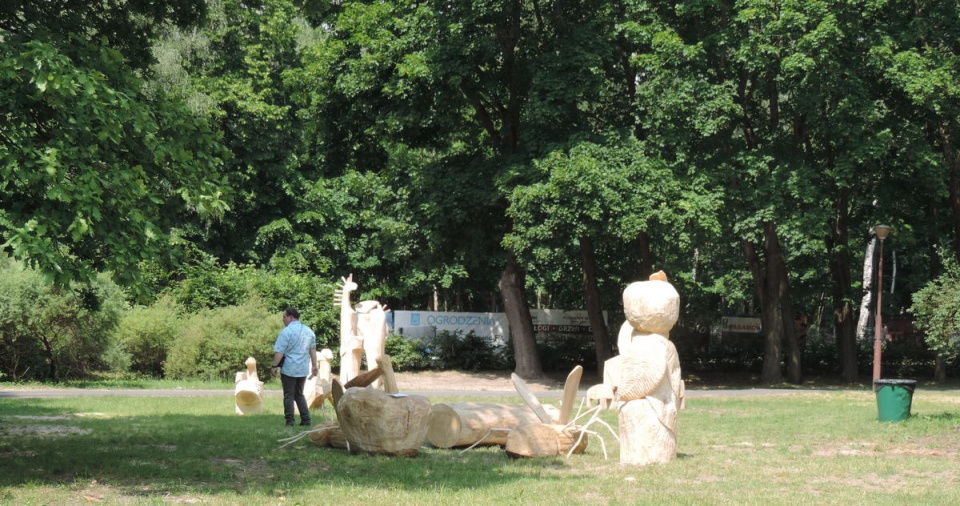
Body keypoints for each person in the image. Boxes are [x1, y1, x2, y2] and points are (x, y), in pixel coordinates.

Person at [271, 307, 319, 426]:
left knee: (288, 395)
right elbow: (312, 349)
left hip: (289, 369)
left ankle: (290, 421)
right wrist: (314, 365)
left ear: (291, 317)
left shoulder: (286, 332)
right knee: (299, 394)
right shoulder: (309, 331)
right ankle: (306, 420)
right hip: (302, 369)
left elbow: (279, 352)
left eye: (284, 317)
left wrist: (274, 366)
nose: (283, 320)